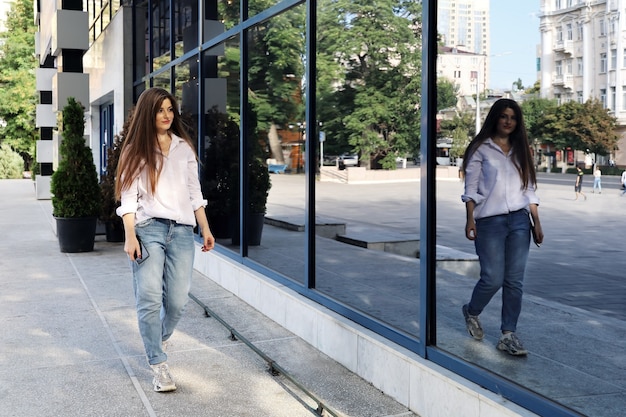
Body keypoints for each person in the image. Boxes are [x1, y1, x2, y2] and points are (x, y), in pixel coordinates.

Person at [115, 87, 215, 392]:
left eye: (171, 110)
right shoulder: (136, 150)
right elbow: (128, 198)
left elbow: (194, 193)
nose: (167, 116)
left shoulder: (184, 148)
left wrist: (206, 228)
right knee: (148, 299)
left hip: (182, 232)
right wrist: (130, 235)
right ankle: (159, 366)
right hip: (148, 230)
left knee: (177, 301)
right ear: (149, 112)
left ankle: (158, 339)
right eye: (160, 110)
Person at [460, 98, 544, 356]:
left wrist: (536, 221)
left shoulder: (521, 150)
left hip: (520, 220)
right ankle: (472, 310)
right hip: (490, 221)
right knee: (492, 278)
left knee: (514, 281)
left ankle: (508, 334)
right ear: (495, 118)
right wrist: (470, 219)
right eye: (504, 116)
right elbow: (470, 189)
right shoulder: (480, 149)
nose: (508, 121)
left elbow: (528, 188)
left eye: (513, 117)